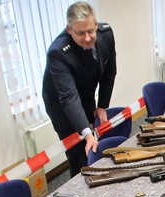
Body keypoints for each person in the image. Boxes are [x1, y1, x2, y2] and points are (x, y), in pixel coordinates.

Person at [42, 2, 117, 176]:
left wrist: (102, 106)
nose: (88, 37)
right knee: (80, 152)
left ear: (96, 25)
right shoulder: (58, 53)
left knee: (95, 146)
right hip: (63, 107)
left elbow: (109, 72)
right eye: (81, 33)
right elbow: (69, 97)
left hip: (86, 94)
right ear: (69, 30)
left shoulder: (106, 34)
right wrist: (86, 133)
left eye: (91, 31)